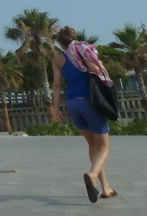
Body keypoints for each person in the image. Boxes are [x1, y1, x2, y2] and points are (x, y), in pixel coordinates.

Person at [51, 26, 117, 202]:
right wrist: (100, 64)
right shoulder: (82, 50)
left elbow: (57, 85)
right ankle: (92, 175)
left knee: (93, 146)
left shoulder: (58, 58)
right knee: (103, 147)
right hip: (90, 102)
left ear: (60, 42)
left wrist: (55, 108)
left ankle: (105, 188)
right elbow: (94, 69)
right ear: (74, 37)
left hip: (73, 105)